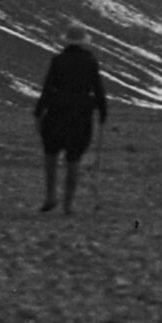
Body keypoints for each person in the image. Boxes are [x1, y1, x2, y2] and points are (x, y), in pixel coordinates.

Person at [34, 34, 109, 212]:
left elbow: (47, 88)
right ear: (84, 43)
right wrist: (102, 112)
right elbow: (98, 89)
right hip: (81, 115)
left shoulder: (58, 61)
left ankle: (50, 196)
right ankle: (68, 204)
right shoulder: (90, 62)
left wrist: (38, 111)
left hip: (56, 112)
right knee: (74, 157)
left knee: (51, 152)